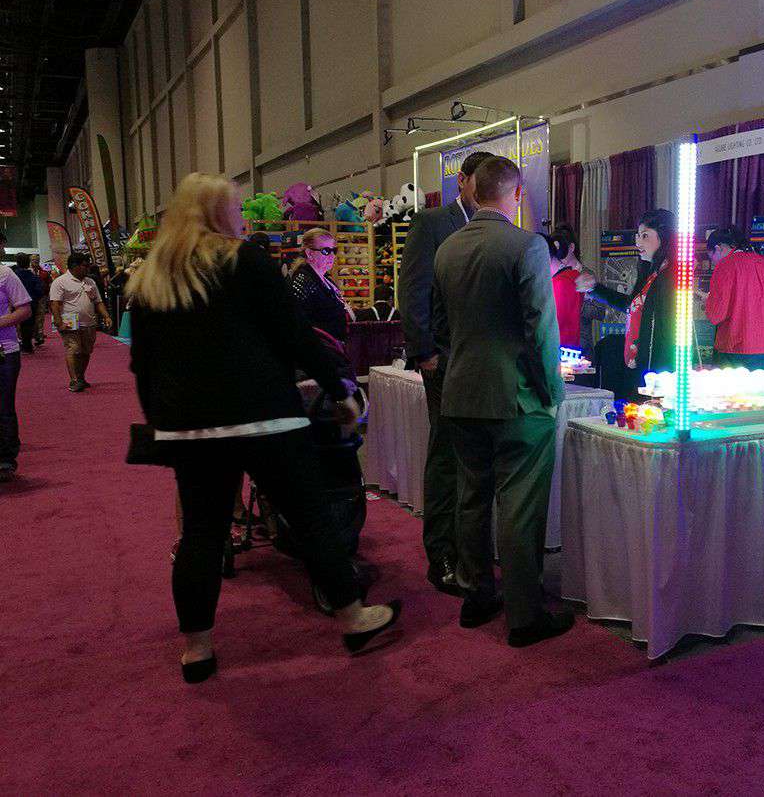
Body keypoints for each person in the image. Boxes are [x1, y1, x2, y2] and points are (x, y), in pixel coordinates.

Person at [128, 173, 400, 684]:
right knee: (310, 515)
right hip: (264, 416)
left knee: (201, 535)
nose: (240, 216)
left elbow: (143, 365)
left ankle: (197, 649)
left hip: (192, 429)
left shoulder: (151, 279)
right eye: (234, 207)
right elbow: (294, 335)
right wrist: (338, 388)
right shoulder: (245, 261)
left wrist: (162, 426)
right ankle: (353, 617)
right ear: (218, 212)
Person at [433, 156, 572, 647]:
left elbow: (441, 328)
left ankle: (477, 594)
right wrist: (552, 393)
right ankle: (524, 615)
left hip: (460, 393)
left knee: (471, 499)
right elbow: (541, 328)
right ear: (515, 194)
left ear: (473, 192)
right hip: (515, 398)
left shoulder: (447, 248)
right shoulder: (526, 245)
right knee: (519, 506)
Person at [395, 150, 493, 595]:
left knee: (472, 456)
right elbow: (413, 289)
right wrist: (424, 351)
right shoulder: (433, 223)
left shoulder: (494, 225)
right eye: (480, 180)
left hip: (480, 359)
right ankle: (442, 556)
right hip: (444, 356)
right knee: (447, 454)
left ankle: (471, 550)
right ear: (463, 181)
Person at [576, 209, 677, 400]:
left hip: (656, 372)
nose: (638, 242)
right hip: (639, 364)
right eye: (638, 235)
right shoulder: (651, 273)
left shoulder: (669, 277)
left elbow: (666, 332)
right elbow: (630, 305)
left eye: (645, 236)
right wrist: (595, 288)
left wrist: (656, 376)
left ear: (664, 238)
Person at [703, 226, 764, 369]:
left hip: (736, 346)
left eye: (712, 258)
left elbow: (716, 315)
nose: (714, 263)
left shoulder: (726, 265)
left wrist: (708, 301)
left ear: (718, 248)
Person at [49, 252, 112, 392]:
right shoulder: (60, 281)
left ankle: (81, 376)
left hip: (89, 322)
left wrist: (106, 316)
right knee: (73, 349)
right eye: (85, 265)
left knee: (86, 351)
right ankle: (74, 380)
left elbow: (98, 301)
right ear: (74, 266)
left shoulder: (90, 282)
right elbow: (55, 304)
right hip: (69, 321)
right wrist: (59, 323)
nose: (87, 268)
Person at [290, 228, 354, 345]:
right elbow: (300, 325)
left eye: (334, 250)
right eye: (326, 251)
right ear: (309, 253)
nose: (332, 256)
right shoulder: (302, 281)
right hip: (320, 348)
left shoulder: (326, 279)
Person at [0, 262, 31, 481]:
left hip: (4, 351)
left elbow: (25, 309)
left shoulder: (5, 274)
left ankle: (5, 458)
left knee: (3, 407)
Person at [541, 228, 584, 348]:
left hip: (559, 349)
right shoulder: (571, 275)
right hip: (568, 347)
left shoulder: (561, 282)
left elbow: (556, 324)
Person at [12, 254, 44, 354]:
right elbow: (40, 291)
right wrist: (34, 300)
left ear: (17, 263)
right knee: (28, 325)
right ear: (28, 263)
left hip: (14, 303)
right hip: (30, 304)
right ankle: (27, 345)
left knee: (14, 324)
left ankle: (15, 344)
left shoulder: (13, 275)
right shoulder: (33, 276)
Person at [31, 255, 51, 346]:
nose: (35, 261)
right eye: (33, 260)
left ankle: (39, 334)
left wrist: (48, 296)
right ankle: (34, 334)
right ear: (30, 261)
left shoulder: (44, 273)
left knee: (41, 316)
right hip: (30, 298)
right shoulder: (28, 272)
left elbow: (49, 284)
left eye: (37, 260)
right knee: (32, 317)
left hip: (42, 298)